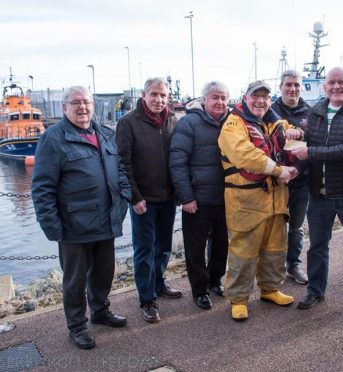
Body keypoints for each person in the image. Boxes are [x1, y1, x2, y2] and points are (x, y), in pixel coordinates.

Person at [31, 86, 131, 350]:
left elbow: (118, 169)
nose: (82, 107)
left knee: (103, 273)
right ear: (65, 108)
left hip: (106, 221)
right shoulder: (53, 139)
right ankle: (77, 326)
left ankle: (100, 311)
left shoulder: (105, 134)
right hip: (73, 226)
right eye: (75, 102)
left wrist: (124, 196)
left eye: (86, 102)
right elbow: (42, 187)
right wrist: (51, 226)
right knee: (75, 281)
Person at [291, 66, 343, 321]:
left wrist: (310, 153)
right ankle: (316, 291)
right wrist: (297, 142)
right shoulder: (315, 111)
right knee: (317, 246)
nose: (336, 87)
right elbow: (309, 143)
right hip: (320, 193)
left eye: (342, 82)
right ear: (325, 86)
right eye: (332, 83)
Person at [218, 80, 302, 321]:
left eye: (265, 97)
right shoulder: (233, 124)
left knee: (275, 249)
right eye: (256, 96)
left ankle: (270, 289)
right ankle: (238, 298)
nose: (261, 101)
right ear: (245, 98)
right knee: (243, 252)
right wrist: (279, 171)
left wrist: (298, 138)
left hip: (276, 200)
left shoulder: (277, 122)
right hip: (245, 202)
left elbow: (297, 144)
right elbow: (245, 154)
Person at [116, 77, 182, 325]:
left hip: (168, 198)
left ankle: (159, 283)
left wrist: (178, 193)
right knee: (144, 250)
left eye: (163, 95)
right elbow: (123, 163)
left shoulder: (173, 121)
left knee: (164, 245)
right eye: (154, 94)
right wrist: (134, 196)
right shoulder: (128, 123)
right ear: (144, 96)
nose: (158, 99)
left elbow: (179, 158)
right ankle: (147, 300)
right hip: (143, 200)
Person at [169, 81, 230, 310]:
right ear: (204, 100)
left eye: (223, 98)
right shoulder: (189, 123)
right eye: (215, 97)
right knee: (195, 248)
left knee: (222, 245)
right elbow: (177, 163)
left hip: (226, 198)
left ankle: (215, 280)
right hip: (197, 199)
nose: (219, 102)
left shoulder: (232, 123)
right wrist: (186, 198)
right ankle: (199, 290)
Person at [271, 70, 311, 285]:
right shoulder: (271, 111)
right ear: (281, 86)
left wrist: (296, 169)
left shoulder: (310, 113)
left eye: (296, 84)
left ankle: (293, 265)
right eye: (288, 84)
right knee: (275, 227)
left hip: (301, 180)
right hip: (275, 181)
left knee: (296, 227)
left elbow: (314, 145)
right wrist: (280, 171)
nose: (292, 88)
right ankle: (274, 268)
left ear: (301, 87)